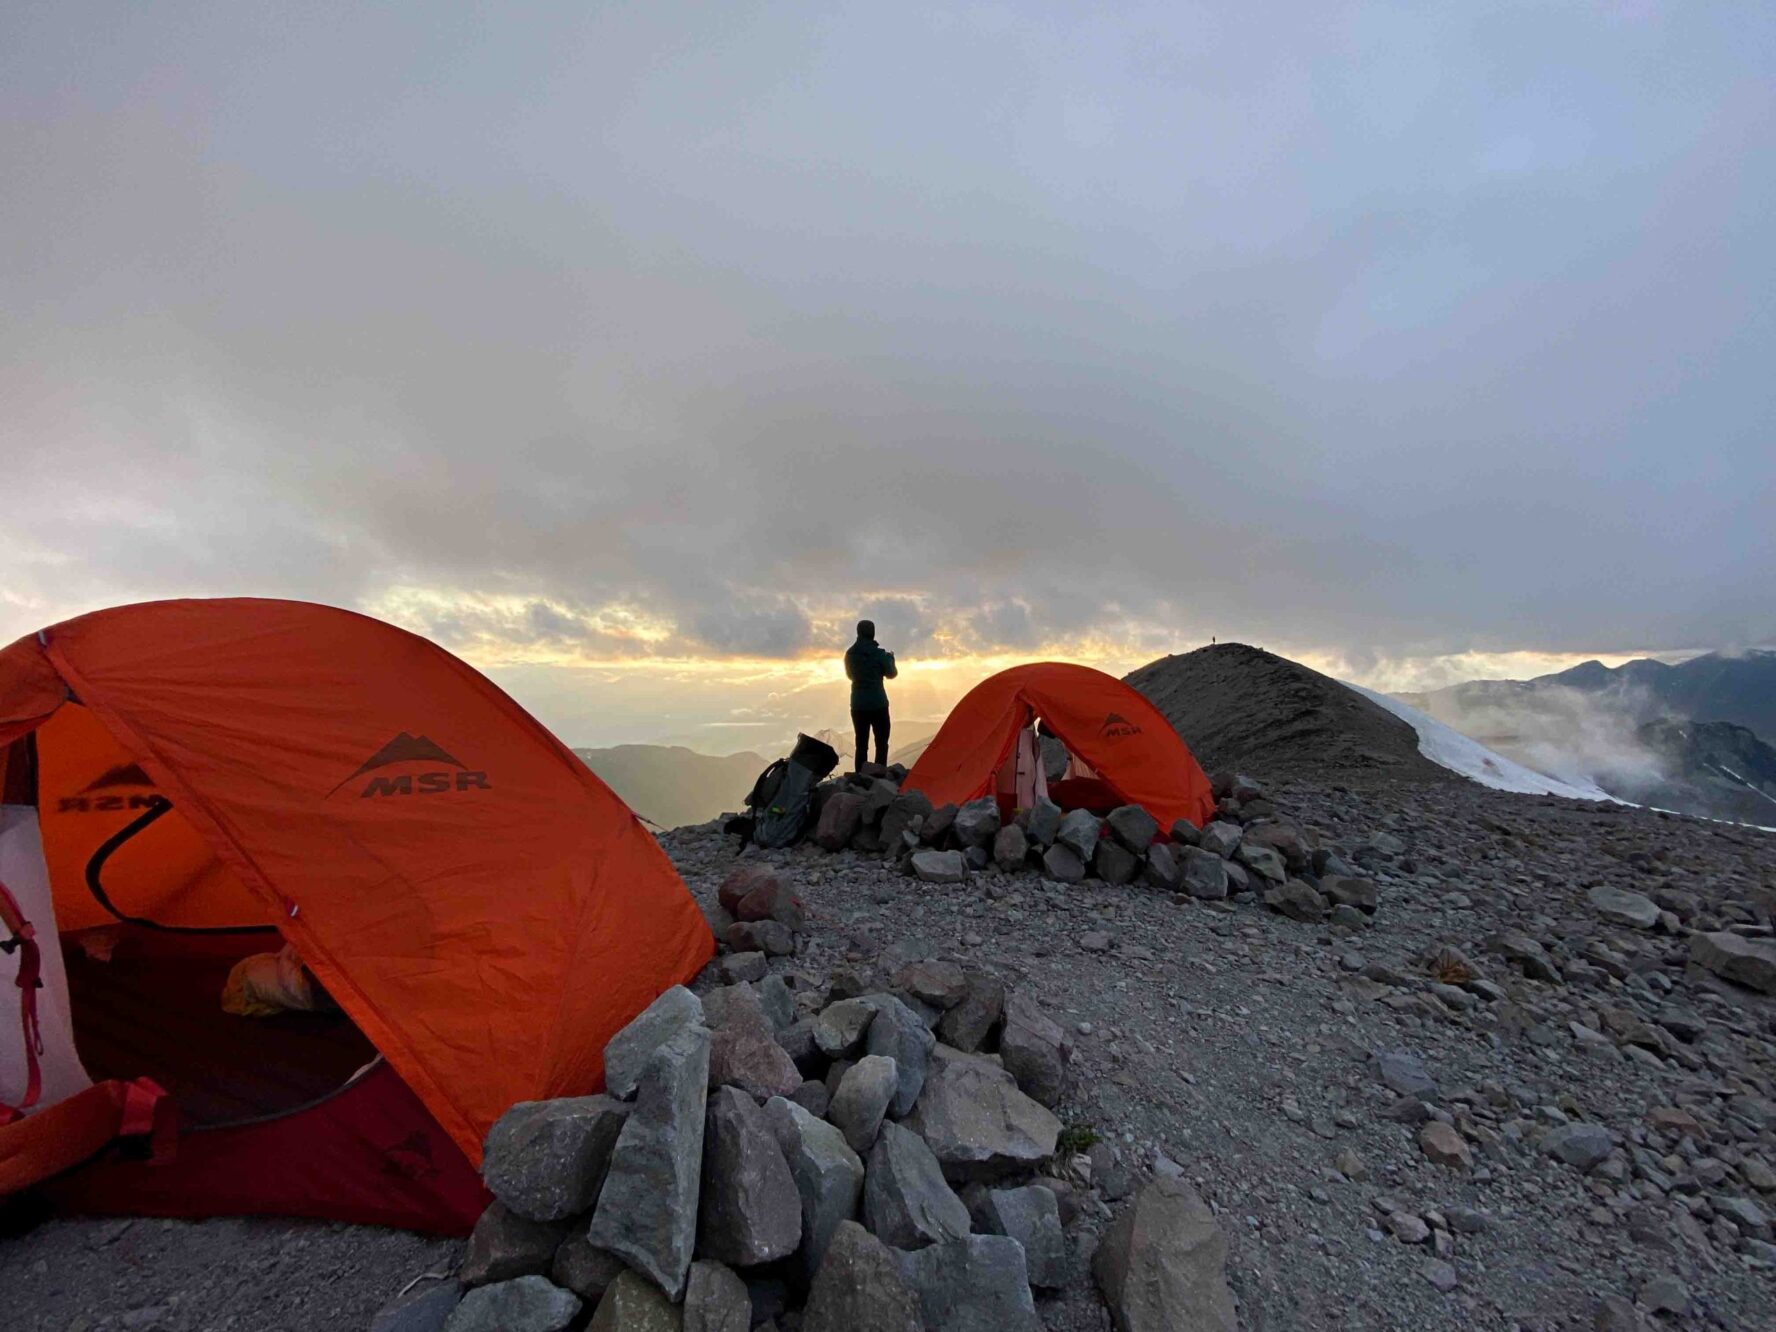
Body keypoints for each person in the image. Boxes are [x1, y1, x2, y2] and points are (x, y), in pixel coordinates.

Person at [844, 619, 897, 771]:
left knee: (861, 744)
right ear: (872, 633)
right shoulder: (879, 654)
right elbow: (892, 673)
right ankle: (879, 775)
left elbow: (850, 675)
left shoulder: (850, 654)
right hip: (878, 703)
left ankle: (860, 776)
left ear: (858, 633)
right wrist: (891, 659)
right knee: (881, 742)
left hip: (858, 704)